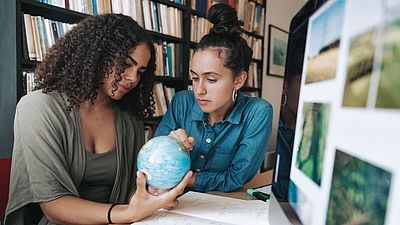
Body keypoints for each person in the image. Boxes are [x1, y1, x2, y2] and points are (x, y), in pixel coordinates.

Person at [5, 14, 192, 225]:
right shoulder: (38, 107)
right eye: (125, 64)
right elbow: (53, 205)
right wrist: (127, 214)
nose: (132, 78)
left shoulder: (128, 116)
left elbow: (133, 190)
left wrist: (158, 189)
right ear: (96, 55)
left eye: (140, 71)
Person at [155, 4, 273, 193]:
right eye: (195, 78)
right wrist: (167, 148)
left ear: (238, 80)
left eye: (211, 79)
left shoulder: (257, 112)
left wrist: (184, 178)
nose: (199, 90)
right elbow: (154, 169)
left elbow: (236, 178)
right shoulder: (181, 102)